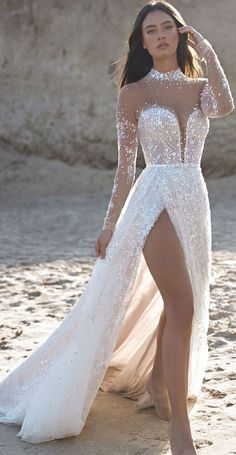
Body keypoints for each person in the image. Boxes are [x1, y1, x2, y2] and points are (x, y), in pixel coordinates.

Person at [0, 1, 234, 453]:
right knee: (183, 303)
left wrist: (208, 50)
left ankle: (159, 386)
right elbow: (125, 170)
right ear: (142, 41)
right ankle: (179, 426)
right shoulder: (133, 94)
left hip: (194, 197)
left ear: (180, 35)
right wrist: (110, 224)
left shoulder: (200, 87)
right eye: (152, 30)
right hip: (154, 199)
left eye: (169, 27)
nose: (161, 35)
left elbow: (225, 106)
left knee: (183, 299)